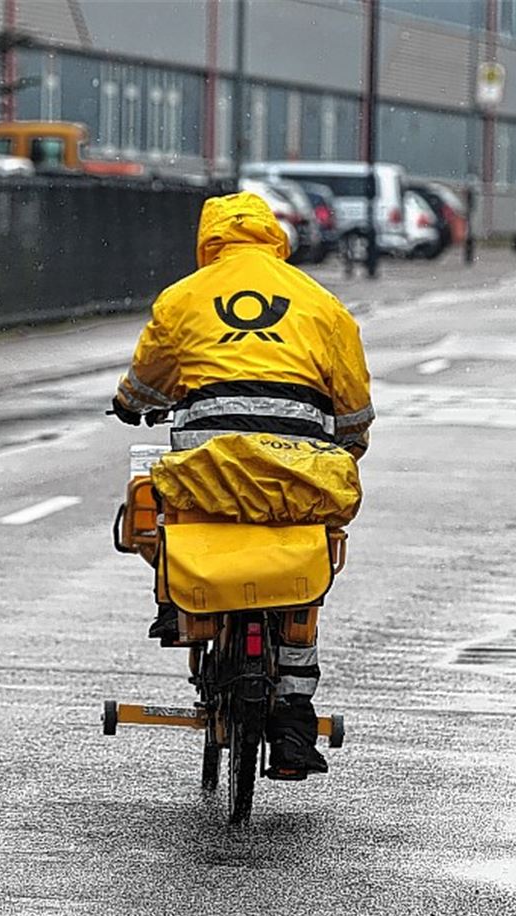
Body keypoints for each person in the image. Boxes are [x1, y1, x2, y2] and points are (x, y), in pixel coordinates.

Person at [111, 191, 374, 778]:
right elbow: (352, 400)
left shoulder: (184, 297)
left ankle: (177, 605)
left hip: (209, 455)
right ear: (275, 237)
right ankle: (293, 716)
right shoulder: (319, 302)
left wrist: (130, 405)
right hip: (295, 460)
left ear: (209, 241)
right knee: (304, 562)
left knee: (172, 509)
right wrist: (348, 445)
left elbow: (150, 376)